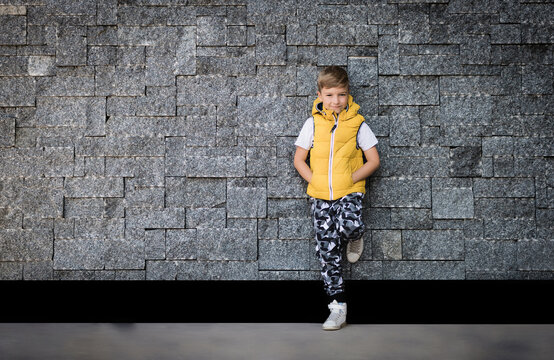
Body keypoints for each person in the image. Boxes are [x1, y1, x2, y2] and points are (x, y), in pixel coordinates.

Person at [293, 66, 380, 330]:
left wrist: (352, 180)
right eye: (329, 94)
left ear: (348, 94)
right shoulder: (312, 124)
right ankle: (338, 307)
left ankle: (355, 238)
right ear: (319, 95)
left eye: (341, 94)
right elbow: (299, 159)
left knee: (350, 225)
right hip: (320, 197)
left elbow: (373, 160)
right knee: (327, 252)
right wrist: (315, 180)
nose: (335, 101)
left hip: (349, 193)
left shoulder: (358, 123)